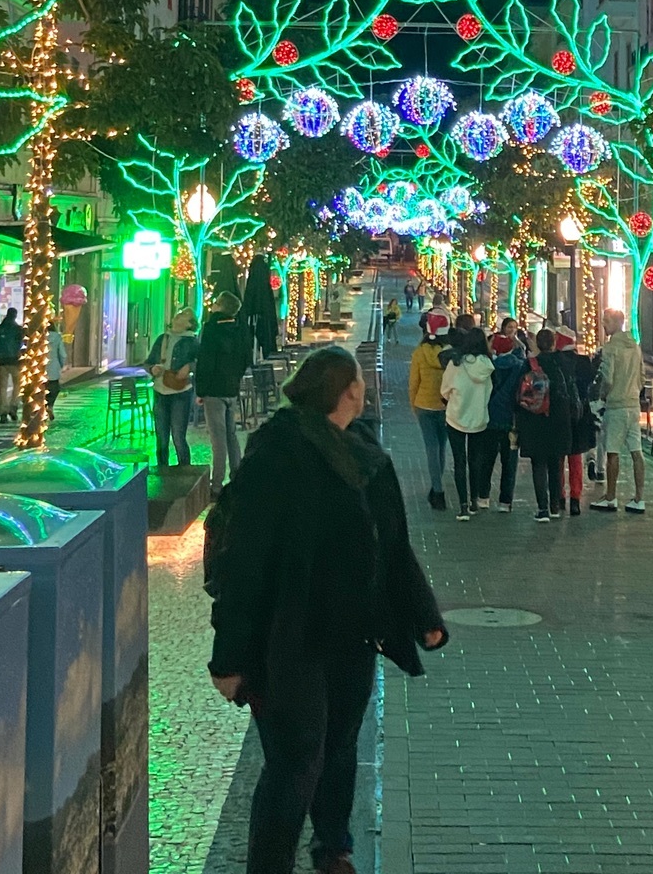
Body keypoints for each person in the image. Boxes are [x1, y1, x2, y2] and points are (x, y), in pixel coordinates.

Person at [204, 345, 447, 874]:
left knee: (338, 750)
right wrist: (230, 657)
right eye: (361, 383)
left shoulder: (365, 454)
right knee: (295, 762)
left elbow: (392, 545)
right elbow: (245, 562)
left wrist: (424, 615)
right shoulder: (277, 454)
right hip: (289, 639)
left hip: (351, 635)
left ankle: (333, 847)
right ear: (349, 392)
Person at [590, 310, 646, 515]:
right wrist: (634, 391)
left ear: (617, 323)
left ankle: (611, 497)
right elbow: (642, 376)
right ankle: (639, 498)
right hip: (633, 404)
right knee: (636, 452)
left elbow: (608, 378)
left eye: (606, 321)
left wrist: (603, 396)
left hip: (616, 405)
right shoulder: (635, 347)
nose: (603, 324)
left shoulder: (611, 348)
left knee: (612, 452)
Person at [515, 328, 574, 522]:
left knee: (538, 464)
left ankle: (542, 509)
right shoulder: (563, 363)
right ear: (553, 343)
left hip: (534, 421)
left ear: (537, 344)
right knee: (556, 464)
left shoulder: (529, 364)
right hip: (559, 420)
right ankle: (555, 506)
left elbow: (518, 394)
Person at [197, 293, 251, 499]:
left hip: (214, 390)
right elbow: (246, 358)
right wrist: (235, 377)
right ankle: (236, 477)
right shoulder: (239, 328)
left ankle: (217, 485)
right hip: (231, 389)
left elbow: (206, 361)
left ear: (220, 306)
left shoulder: (212, 329)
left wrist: (201, 390)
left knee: (217, 438)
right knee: (231, 435)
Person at [439, 329, 494, 519]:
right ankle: (474, 502)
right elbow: (489, 392)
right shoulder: (487, 366)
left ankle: (463, 506)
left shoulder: (456, 364)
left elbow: (444, 390)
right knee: (475, 461)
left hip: (455, 417)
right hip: (479, 418)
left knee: (459, 461)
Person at [478, 329, 527, 511]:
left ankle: (483, 497)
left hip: (489, 419)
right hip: (511, 421)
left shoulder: (487, 366)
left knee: (487, 459)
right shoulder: (520, 367)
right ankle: (505, 502)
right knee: (509, 463)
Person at [146, 309, 199, 469]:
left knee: (178, 436)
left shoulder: (192, 342)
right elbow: (149, 362)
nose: (177, 316)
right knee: (161, 438)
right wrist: (152, 368)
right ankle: (162, 471)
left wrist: (190, 367)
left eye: (183, 316)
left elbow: (201, 362)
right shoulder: (163, 338)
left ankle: (185, 471)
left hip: (181, 392)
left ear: (189, 324)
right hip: (160, 390)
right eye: (178, 314)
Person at [409, 321, 451, 509]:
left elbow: (413, 382)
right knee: (441, 447)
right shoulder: (449, 353)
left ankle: (438, 490)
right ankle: (436, 488)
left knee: (431, 449)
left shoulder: (419, 352)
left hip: (423, 405)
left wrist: (413, 405)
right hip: (445, 406)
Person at [555, 326, 597, 516]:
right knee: (575, 458)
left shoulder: (554, 361)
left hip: (559, 414)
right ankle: (575, 499)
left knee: (558, 458)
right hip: (579, 415)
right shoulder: (583, 361)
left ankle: (559, 497)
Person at [0, 306, 24, 424]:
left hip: (1, 362)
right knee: (18, 385)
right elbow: (24, 344)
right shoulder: (19, 330)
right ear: (15, 316)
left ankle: (3, 412)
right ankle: (13, 407)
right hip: (15, 362)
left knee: (2, 387)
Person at [45, 319, 67, 424]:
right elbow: (62, 354)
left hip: (41, 367)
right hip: (53, 366)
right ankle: (50, 406)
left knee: (42, 389)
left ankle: (43, 406)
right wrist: (61, 365)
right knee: (54, 388)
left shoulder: (39, 337)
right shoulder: (57, 337)